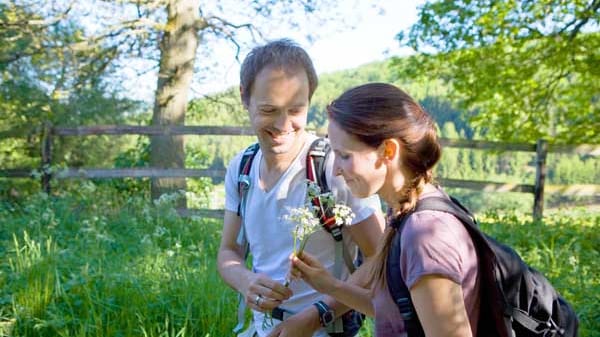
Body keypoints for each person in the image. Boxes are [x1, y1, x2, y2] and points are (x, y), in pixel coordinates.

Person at [216, 39, 385, 337]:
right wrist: (245, 281)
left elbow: (380, 259)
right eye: (269, 109)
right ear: (245, 98)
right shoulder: (241, 167)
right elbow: (229, 252)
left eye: (296, 110)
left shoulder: (334, 167)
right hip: (262, 328)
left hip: (326, 329)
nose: (283, 125)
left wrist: (314, 317)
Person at [291, 83, 480, 337]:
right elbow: (399, 313)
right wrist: (331, 286)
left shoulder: (425, 236)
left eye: (344, 155)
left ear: (388, 151)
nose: (335, 169)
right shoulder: (404, 212)